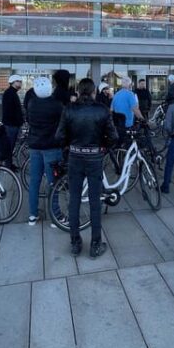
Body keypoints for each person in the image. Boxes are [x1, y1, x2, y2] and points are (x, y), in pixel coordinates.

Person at [55, 78, 118, 258]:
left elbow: (59, 136)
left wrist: (69, 146)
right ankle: (95, 244)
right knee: (95, 201)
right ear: (93, 91)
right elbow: (113, 137)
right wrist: (103, 146)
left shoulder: (69, 109)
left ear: (78, 91)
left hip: (75, 157)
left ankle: (75, 243)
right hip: (94, 157)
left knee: (74, 200)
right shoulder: (102, 110)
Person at [25, 76, 64, 226]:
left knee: (34, 181)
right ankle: (55, 217)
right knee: (53, 182)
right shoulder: (57, 105)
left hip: (35, 147)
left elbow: (29, 120)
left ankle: (32, 215)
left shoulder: (31, 103)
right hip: (51, 147)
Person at [111, 76, 144, 145]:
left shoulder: (116, 94)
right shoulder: (130, 94)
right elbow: (135, 109)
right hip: (127, 124)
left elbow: (111, 110)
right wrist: (142, 119)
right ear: (130, 85)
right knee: (129, 143)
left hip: (117, 125)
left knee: (120, 143)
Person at [1, 74, 24, 168]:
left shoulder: (12, 93)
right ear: (13, 82)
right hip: (11, 125)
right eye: (19, 81)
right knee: (10, 146)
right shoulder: (10, 93)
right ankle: (8, 165)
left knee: (11, 145)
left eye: (20, 81)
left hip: (12, 124)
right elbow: (10, 111)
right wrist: (18, 120)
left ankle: (9, 164)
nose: (20, 83)